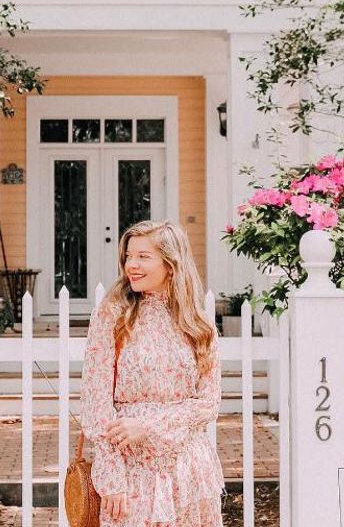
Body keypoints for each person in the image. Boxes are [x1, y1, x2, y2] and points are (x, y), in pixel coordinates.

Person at [79, 219, 224, 526]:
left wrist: (149, 425)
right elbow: (96, 400)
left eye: (143, 256)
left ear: (170, 264)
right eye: (129, 256)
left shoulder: (198, 323)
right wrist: (111, 477)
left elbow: (209, 402)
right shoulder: (112, 314)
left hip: (188, 469)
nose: (132, 264)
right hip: (132, 470)